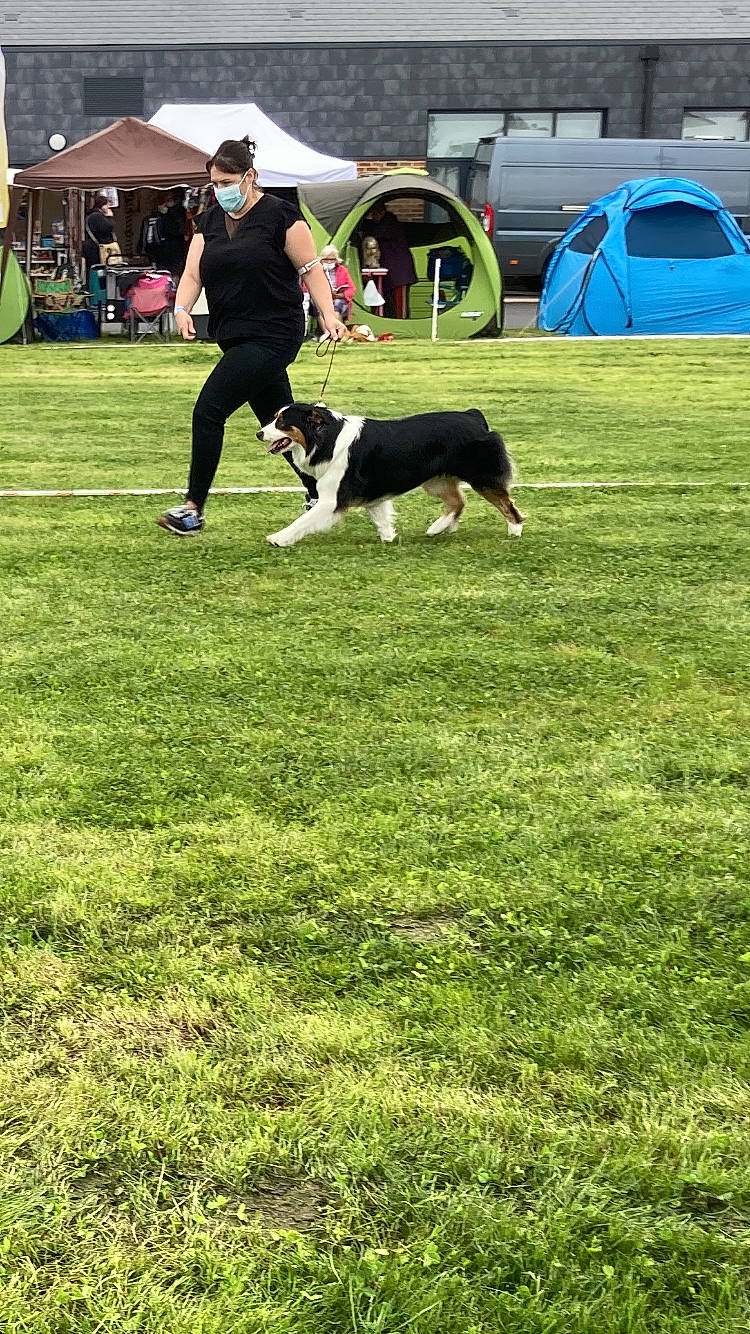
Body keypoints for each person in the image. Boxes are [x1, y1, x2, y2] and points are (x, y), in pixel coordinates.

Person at [156, 137, 347, 536]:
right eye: (214, 183)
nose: (219, 190)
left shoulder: (282, 216)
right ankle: (323, 492)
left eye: (226, 182)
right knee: (279, 421)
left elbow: (311, 269)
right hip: (233, 335)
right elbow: (192, 274)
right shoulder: (209, 222)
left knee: (208, 411)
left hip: (275, 334)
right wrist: (181, 308)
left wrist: (328, 315)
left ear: (249, 176)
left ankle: (193, 508)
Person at [362, 200, 417, 318]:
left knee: (399, 306)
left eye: (373, 215)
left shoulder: (389, 223)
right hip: (392, 274)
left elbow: (375, 234)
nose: (373, 218)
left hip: (399, 274)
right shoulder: (385, 225)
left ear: (380, 212)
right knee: (389, 303)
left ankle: (401, 323)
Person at [305, 244, 355, 337]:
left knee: (337, 304)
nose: (329, 262)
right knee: (318, 304)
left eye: (332, 260)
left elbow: (351, 289)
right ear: (321, 259)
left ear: (336, 260)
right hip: (320, 297)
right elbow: (307, 287)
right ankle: (327, 333)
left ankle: (335, 332)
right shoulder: (317, 271)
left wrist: (340, 295)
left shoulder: (343, 270)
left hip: (338, 299)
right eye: (326, 259)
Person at [157, 187, 188, 277]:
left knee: (175, 271)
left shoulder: (178, 210)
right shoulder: (162, 211)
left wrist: (167, 213)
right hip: (163, 247)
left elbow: (177, 229)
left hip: (175, 246)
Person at [82, 195, 117, 273]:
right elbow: (108, 228)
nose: (108, 207)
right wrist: (110, 217)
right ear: (102, 205)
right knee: (98, 270)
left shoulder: (92, 215)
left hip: (92, 247)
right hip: (96, 248)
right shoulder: (97, 216)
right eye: (107, 205)